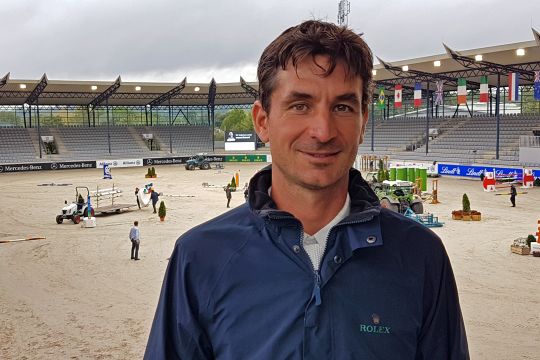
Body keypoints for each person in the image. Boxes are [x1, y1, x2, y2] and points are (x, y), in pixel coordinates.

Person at [145, 20, 469, 359]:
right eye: (300, 105)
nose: (323, 130)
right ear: (262, 121)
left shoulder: (421, 257)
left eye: (342, 107)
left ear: (362, 121)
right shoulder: (200, 258)